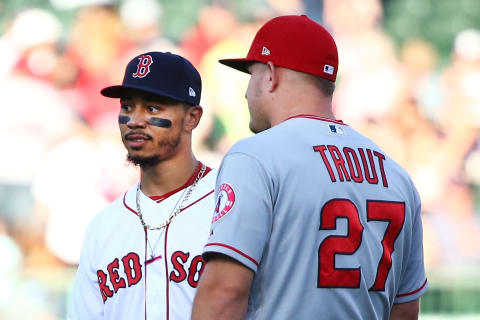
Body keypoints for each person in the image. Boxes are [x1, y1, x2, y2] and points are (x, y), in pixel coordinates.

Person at [192, 15, 428, 320]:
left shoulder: (255, 156)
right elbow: (406, 311)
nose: (247, 92)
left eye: (251, 75)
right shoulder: (396, 174)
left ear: (271, 76)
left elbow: (225, 292)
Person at [68, 51, 216, 319]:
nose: (134, 121)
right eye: (126, 107)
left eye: (152, 108)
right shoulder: (104, 227)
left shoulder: (228, 205)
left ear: (192, 118)